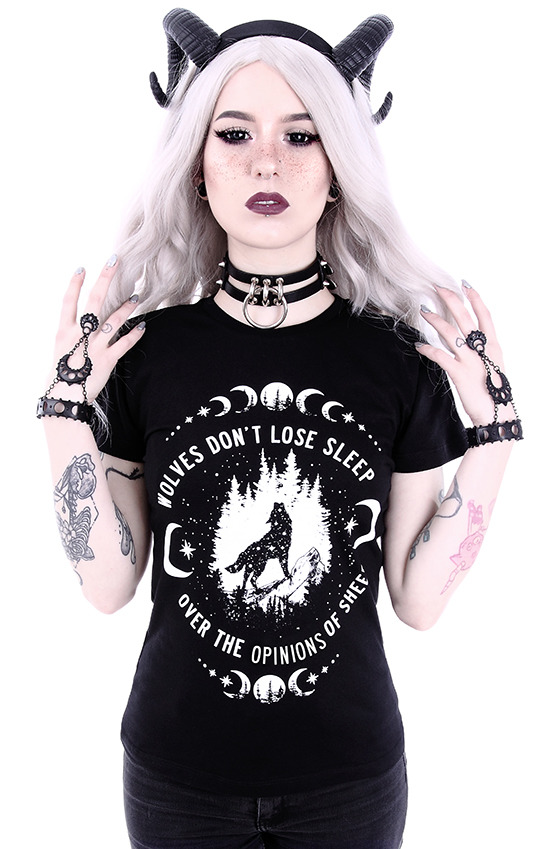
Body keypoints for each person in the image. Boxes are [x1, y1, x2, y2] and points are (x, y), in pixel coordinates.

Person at [38, 9, 522, 848]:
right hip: (177, 780)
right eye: (234, 133)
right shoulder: (143, 353)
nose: (267, 161)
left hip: (350, 783)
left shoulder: (397, 356)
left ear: (340, 168)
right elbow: (107, 585)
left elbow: (418, 602)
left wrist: (496, 439)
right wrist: (63, 411)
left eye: (302, 136)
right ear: (197, 167)